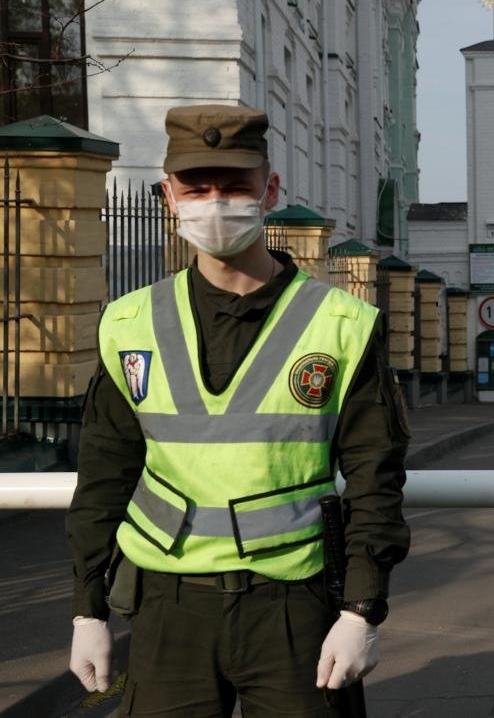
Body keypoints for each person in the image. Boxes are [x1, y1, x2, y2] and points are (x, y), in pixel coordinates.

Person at [66, 105, 410, 716]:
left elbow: (375, 482)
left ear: (270, 190)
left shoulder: (343, 325)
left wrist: (361, 611)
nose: (215, 203)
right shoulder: (128, 322)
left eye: (235, 186)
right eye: (196, 188)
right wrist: (87, 608)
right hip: (166, 609)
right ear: (169, 195)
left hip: (294, 606)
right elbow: (103, 476)